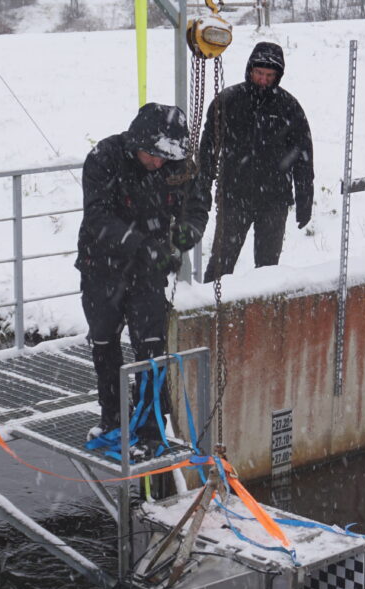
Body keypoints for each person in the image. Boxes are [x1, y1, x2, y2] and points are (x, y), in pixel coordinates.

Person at [77, 103, 209, 459]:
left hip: (150, 273)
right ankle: (113, 419)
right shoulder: (104, 157)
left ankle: (151, 428)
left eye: (165, 159)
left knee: (151, 350)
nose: (158, 165)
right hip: (101, 266)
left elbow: (198, 206)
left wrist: (188, 232)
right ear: (138, 143)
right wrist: (140, 246)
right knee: (104, 343)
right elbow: (97, 217)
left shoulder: (178, 166)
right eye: (152, 157)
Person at [199, 41, 314, 283]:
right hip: (234, 197)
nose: (263, 80)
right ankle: (212, 313)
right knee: (221, 264)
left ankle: (264, 318)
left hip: (274, 200)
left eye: (269, 75)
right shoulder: (228, 101)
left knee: (268, 270)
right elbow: (208, 149)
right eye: (259, 73)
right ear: (250, 70)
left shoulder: (289, 107)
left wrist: (305, 197)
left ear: (278, 76)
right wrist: (202, 189)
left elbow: (303, 157)